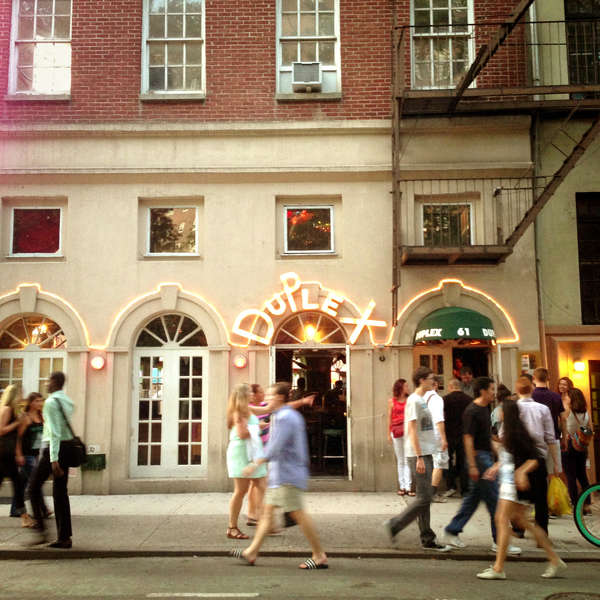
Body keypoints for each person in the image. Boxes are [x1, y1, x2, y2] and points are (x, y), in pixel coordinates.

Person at [232, 382, 328, 570]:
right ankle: (251, 552)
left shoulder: (285, 417)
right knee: (267, 514)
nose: (267, 398)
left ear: (280, 398)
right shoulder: (283, 415)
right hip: (281, 475)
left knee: (298, 514)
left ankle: (319, 555)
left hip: (288, 475)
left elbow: (276, 445)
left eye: (271, 395)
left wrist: (256, 463)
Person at [477, 398, 566, 580]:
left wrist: (521, 472)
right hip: (510, 481)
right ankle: (554, 558)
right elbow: (510, 457)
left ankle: (498, 568)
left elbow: (535, 458)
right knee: (521, 522)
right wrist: (496, 467)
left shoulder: (516, 433)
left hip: (513, 484)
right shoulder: (509, 431)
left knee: (501, 520)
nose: (498, 412)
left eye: (501, 409)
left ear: (506, 413)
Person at [442, 377, 520, 556]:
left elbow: (485, 437)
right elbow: (468, 439)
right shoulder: (472, 411)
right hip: (479, 458)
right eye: (491, 389)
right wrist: (472, 465)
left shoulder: (484, 409)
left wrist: (497, 450)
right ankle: (499, 542)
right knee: (495, 500)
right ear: (483, 391)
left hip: (484, 457)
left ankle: (452, 530)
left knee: (473, 498)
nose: (494, 392)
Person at [384, 367, 450, 551]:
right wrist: (419, 456)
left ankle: (427, 538)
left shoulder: (420, 400)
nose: (434, 381)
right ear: (421, 380)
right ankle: (395, 525)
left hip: (425, 452)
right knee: (425, 497)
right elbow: (411, 429)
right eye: (431, 378)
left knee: (424, 497)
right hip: (418, 454)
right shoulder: (414, 400)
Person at [28, 372, 75, 548]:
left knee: (33, 488)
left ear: (55, 382)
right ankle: (64, 537)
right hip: (67, 447)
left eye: (49, 381)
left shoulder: (51, 402)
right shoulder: (67, 401)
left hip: (54, 449)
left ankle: (41, 531)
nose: (46, 384)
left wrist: (54, 459)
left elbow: (55, 432)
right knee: (61, 493)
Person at [512, 376, 559, 534]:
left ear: (517, 390)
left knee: (518, 496)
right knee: (540, 498)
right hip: (539, 456)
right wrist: (555, 463)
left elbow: (504, 434)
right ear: (532, 389)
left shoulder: (513, 408)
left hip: (519, 457)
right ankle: (542, 531)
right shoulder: (543, 409)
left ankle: (518, 528)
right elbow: (550, 437)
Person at [225, 383, 267, 540]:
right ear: (243, 395)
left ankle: (264, 521)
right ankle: (232, 527)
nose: (252, 394)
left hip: (252, 453)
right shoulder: (239, 412)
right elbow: (242, 433)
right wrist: (258, 427)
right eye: (249, 392)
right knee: (240, 491)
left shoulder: (247, 410)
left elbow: (268, 409)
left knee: (262, 484)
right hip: (242, 453)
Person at [14, 392, 47, 525]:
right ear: (31, 403)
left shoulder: (41, 416)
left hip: (36, 454)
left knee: (22, 483)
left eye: (41, 401)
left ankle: (15, 509)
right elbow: (18, 438)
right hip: (26, 455)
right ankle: (44, 509)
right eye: (37, 401)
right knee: (35, 482)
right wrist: (19, 454)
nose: (40, 403)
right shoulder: (25, 418)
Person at [0, 384, 28, 527]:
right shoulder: (6, 409)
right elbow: (1, 430)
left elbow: (17, 435)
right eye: (20, 394)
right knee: (18, 483)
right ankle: (24, 517)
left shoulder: (12, 411)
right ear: (14, 395)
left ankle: (24, 516)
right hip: (4, 453)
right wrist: (17, 422)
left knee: (17, 483)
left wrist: (21, 422)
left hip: (7, 453)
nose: (22, 397)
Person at [532, 368, 567, 477]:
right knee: (553, 474)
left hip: (535, 441)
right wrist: (564, 438)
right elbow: (563, 419)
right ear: (548, 378)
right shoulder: (556, 396)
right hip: (553, 438)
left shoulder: (531, 397)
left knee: (538, 475)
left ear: (534, 378)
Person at [563, 387, 592, 513]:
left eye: (567, 396)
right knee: (582, 475)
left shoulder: (567, 411)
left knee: (571, 476)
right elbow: (589, 429)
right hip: (582, 446)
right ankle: (587, 503)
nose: (566, 398)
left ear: (572, 398)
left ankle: (576, 504)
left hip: (570, 444)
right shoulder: (586, 413)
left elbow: (563, 427)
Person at [443, 379, 472, 498]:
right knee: (463, 461)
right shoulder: (469, 400)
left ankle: (451, 486)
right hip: (463, 434)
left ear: (450, 387)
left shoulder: (444, 400)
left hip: (448, 434)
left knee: (447, 461)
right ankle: (465, 489)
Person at [247, 384, 270, 527]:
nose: (263, 393)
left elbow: (275, 410)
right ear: (254, 395)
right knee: (259, 483)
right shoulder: (248, 408)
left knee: (255, 483)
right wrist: (258, 426)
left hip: (265, 448)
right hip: (255, 449)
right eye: (261, 392)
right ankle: (258, 515)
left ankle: (252, 514)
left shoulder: (265, 405)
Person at [424, 378, 448, 503]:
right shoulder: (437, 399)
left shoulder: (422, 398)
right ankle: (432, 493)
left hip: (425, 435)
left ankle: (425, 491)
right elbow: (439, 419)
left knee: (428, 464)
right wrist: (444, 438)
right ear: (436, 385)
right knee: (439, 464)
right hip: (436, 435)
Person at [387, 378, 412, 496]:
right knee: (400, 459)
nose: (408, 388)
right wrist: (388, 433)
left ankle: (408, 486)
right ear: (400, 388)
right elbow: (389, 418)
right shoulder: (392, 401)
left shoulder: (409, 400)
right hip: (396, 431)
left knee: (408, 459)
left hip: (408, 431)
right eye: (406, 386)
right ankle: (402, 486)